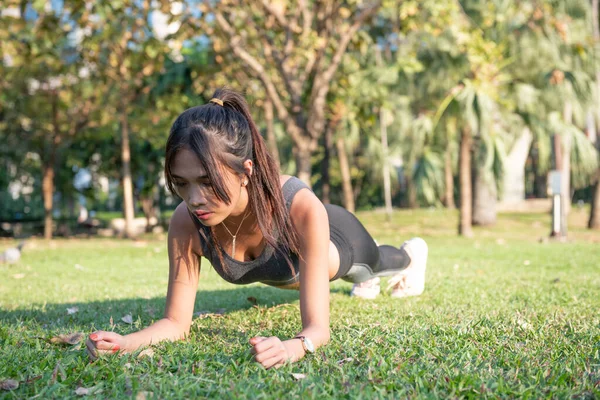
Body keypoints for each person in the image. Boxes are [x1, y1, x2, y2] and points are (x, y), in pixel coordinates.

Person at [86, 88, 428, 369]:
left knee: (378, 264)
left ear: (245, 171)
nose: (194, 199)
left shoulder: (301, 207)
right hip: (293, 269)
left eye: (207, 181)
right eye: (181, 183)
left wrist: (293, 347)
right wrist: (125, 342)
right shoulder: (185, 222)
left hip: (337, 237)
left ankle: (410, 255)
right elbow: (176, 323)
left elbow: (317, 330)